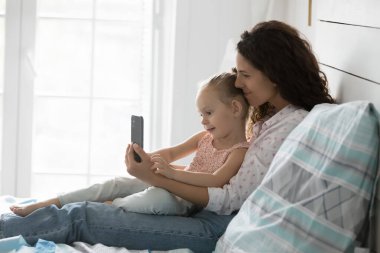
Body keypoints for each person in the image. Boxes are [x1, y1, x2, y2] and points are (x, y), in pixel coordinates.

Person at [0, 21, 335, 253]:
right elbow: (191, 155)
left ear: (275, 73)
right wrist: (156, 171)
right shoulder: (266, 117)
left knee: (80, 216)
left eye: (246, 75)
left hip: (212, 226)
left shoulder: (292, 124)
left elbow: (227, 198)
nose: (240, 83)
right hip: (197, 211)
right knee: (101, 194)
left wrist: (160, 176)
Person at [10, 72, 250, 217]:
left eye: (208, 112)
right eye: (201, 114)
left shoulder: (239, 151)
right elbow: (172, 152)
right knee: (116, 183)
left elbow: (215, 181)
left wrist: (170, 174)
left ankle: (110, 206)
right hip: (168, 180)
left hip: (184, 201)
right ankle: (49, 203)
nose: (203, 120)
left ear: (235, 109)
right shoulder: (204, 137)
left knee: (156, 199)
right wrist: (149, 159)